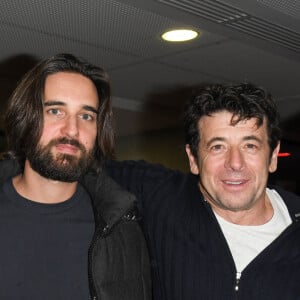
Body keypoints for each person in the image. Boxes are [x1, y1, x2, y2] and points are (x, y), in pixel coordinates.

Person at [91, 83, 300, 299]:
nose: (235, 163)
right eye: (217, 147)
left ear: (273, 156)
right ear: (193, 159)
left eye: (250, 146)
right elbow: (78, 169)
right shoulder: (160, 195)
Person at [0, 53, 151, 300]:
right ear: (25, 118)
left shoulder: (120, 229)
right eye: (56, 111)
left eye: (86, 116)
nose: (72, 129)